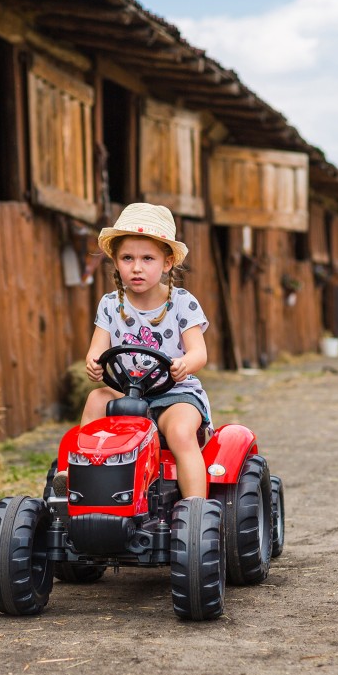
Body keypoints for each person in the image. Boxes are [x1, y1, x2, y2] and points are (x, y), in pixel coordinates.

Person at [79, 202, 211, 500]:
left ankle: (196, 510)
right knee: (97, 398)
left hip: (175, 394)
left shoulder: (182, 303)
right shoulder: (111, 304)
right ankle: (76, 473)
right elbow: (96, 351)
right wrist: (94, 365)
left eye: (147, 258)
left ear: (166, 263)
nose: (136, 267)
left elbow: (198, 353)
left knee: (179, 433)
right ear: (116, 261)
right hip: (128, 392)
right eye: (128, 258)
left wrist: (184, 364)